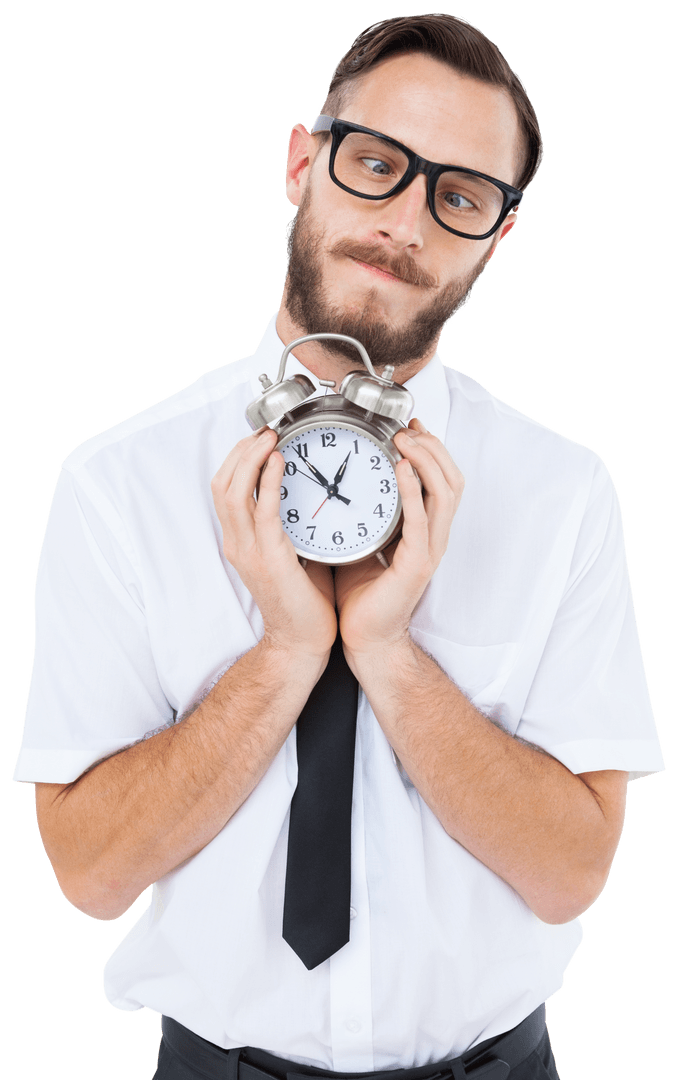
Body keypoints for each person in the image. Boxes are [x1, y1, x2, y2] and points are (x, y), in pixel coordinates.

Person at [13, 13, 664, 1080]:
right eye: (375, 164)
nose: (406, 220)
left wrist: (392, 656)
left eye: (459, 195)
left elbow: (570, 875)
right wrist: (283, 654)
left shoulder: (562, 492)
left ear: (498, 235)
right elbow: (88, 875)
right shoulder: (117, 482)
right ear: (302, 162)